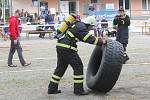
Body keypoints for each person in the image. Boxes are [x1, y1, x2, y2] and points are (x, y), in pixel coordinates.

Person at [47, 16, 107, 95]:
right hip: (68, 48)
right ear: (89, 24)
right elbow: (88, 38)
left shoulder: (77, 24)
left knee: (60, 68)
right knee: (78, 66)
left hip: (61, 46)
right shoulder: (81, 27)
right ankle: (78, 90)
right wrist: (101, 42)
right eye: (91, 27)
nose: (91, 29)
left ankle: (52, 88)